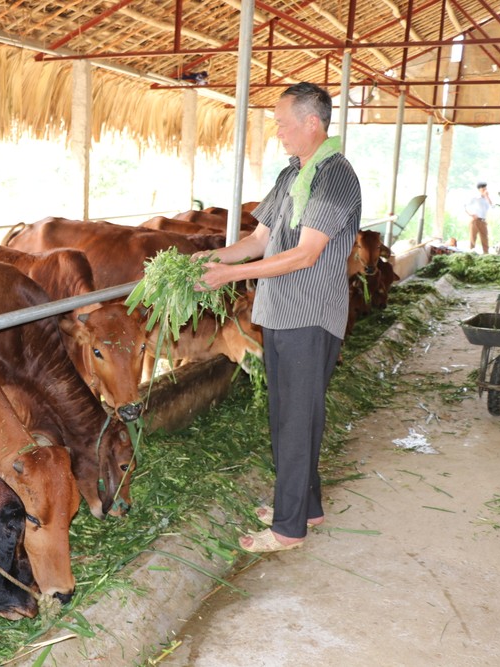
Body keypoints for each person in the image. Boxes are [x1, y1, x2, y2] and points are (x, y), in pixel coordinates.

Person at [193, 82, 361, 553]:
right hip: (281, 312)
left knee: (295, 418)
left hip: (310, 313)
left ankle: (288, 529)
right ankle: (306, 507)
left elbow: (307, 254)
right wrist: (210, 259)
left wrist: (230, 277)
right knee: (289, 414)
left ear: (313, 123)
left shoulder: (335, 177)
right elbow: (261, 239)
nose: (279, 132)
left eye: (284, 123)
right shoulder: (293, 175)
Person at [464, 182, 492, 254]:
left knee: (485, 238)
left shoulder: (486, 198)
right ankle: (470, 253)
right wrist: (471, 214)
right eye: (483, 188)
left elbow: (492, 206)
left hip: (483, 221)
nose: (484, 189)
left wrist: (487, 197)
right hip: (475, 220)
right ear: (479, 189)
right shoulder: (475, 197)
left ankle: (486, 254)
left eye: (485, 188)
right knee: (473, 238)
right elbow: (465, 206)